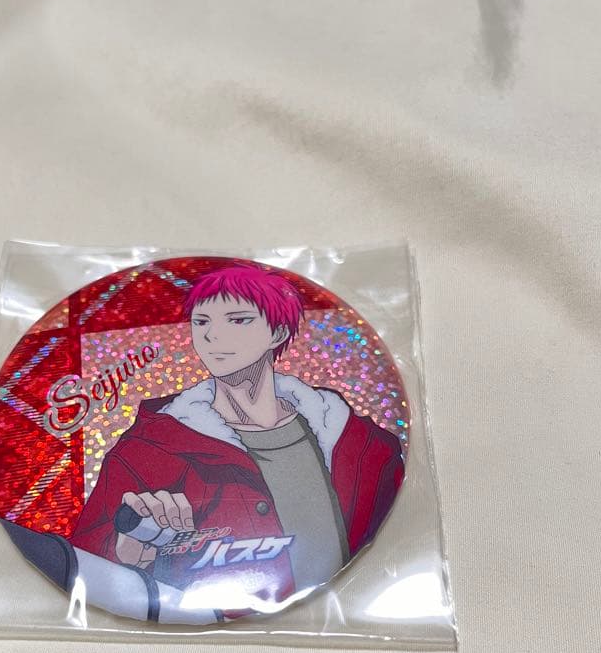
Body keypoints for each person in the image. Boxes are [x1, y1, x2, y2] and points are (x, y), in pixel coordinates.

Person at [67, 263, 404, 624]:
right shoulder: (149, 448)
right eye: (201, 322)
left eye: (238, 320)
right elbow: (85, 558)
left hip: (353, 615)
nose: (213, 335)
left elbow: (397, 526)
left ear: (277, 332)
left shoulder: (355, 438)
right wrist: (128, 553)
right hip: (214, 641)